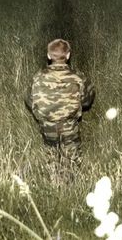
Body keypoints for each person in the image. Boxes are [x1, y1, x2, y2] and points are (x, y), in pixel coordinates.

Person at [25, 38, 95, 182]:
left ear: (49, 56)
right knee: (72, 154)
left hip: (47, 124)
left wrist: (42, 112)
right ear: (68, 55)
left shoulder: (38, 77)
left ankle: (53, 182)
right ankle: (71, 184)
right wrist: (75, 105)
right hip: (69, 124)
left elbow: (28, 99)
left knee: (51, 151)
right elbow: (88, 99)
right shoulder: (78, 77)